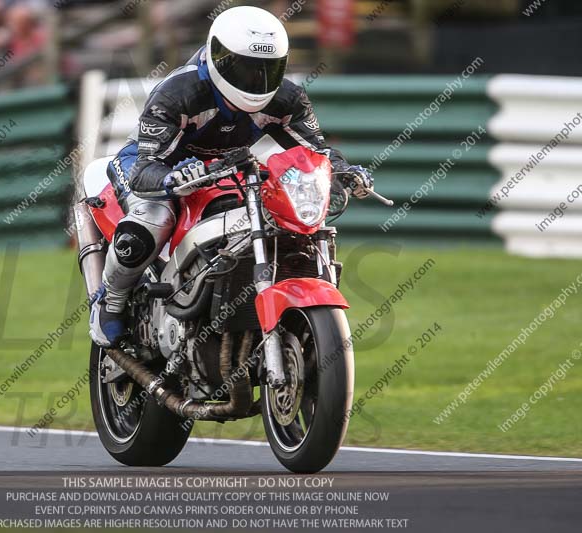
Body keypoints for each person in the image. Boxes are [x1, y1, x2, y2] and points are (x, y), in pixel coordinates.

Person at [89, 6, 373, 347]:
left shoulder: (287, 97)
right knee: (154, 216)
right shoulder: (179, 92)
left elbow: (316, 150)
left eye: (268, 69)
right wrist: (170, 179)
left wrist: (342, 169)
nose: (257, 79)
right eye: (246, 68)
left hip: (228, 167)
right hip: (155, 164)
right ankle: (112, 301)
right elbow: (145, 166)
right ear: (218, 57)